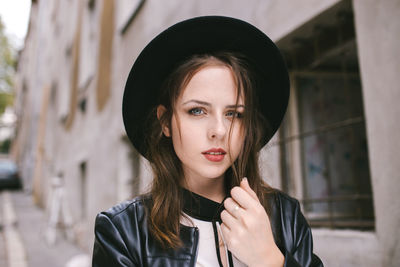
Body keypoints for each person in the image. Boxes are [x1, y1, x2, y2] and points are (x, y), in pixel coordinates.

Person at [92, 16, 323, 267]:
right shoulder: (123, 232)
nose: (219, 131)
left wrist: (270, 260)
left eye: (233, 113)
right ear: (165, 121)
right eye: (197, 111)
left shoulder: (285, 217)